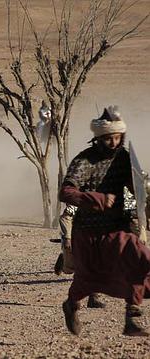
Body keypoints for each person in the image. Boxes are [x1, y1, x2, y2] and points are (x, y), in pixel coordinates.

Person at [59, 105, 150, 336]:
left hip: (117, 229)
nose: (113, 143)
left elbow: (135, 189)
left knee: (139, 259)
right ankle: (71, 305)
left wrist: (143, 197)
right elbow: (66, 192)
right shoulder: (84, 161)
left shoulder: (124, 159)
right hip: (88, 232)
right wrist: (96, 199)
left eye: (117, 138)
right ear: (99, 138)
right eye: (109, 138)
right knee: (87, 281)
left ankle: (132, 316)